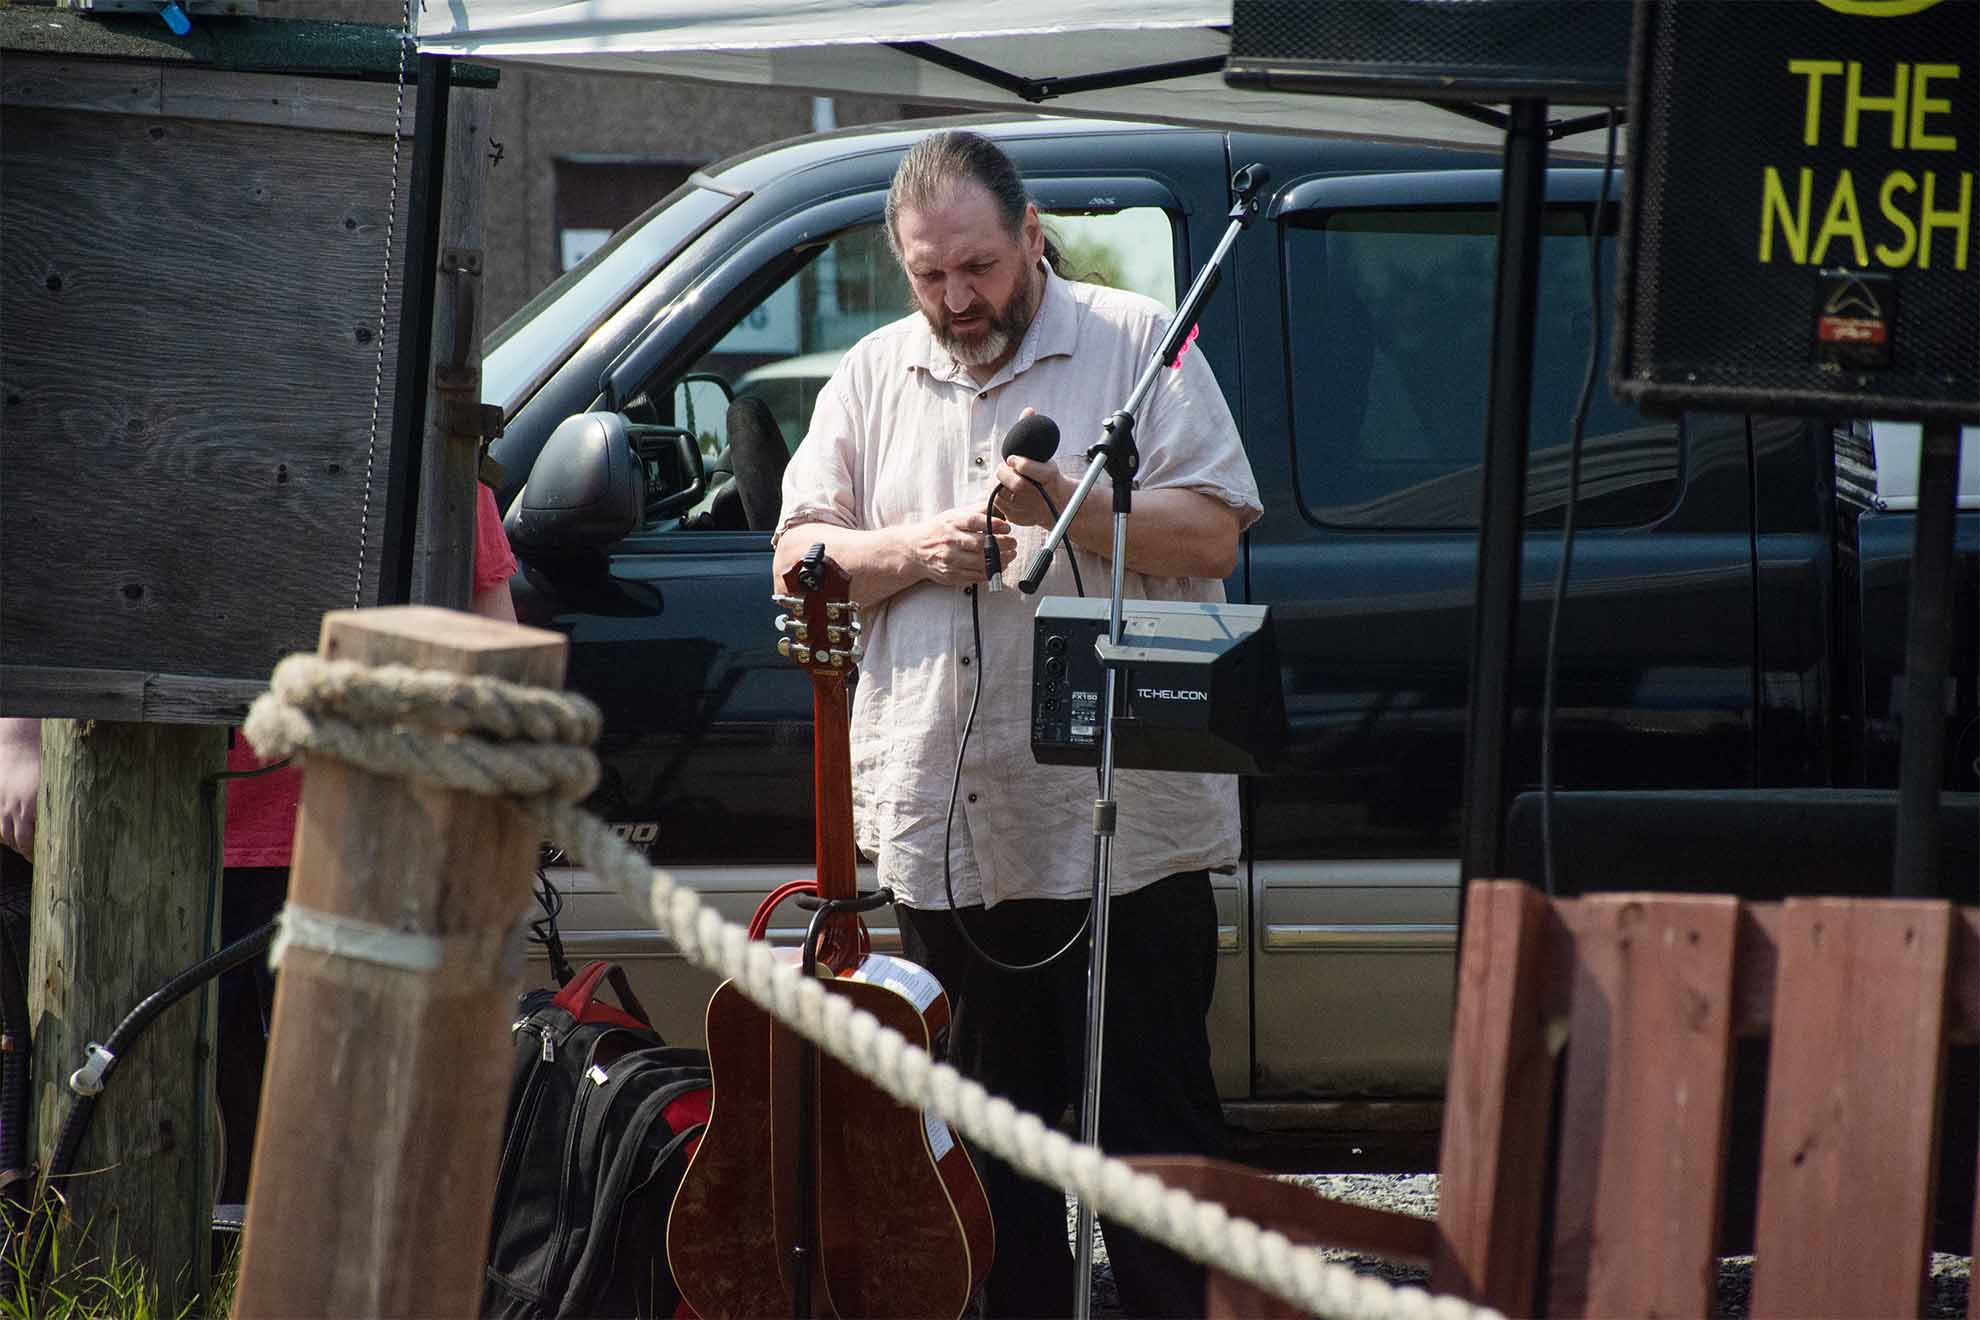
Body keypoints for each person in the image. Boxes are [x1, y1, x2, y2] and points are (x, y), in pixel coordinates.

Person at [772, 129, 1261, 1320]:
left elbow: (1216, 534)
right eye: (930, 275)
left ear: (1031, 234)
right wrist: (915, 550)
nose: (958, 298)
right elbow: (798, 560)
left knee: (1152, 1131)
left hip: (1124, 824)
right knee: (989, 1146)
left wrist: (1073, 512)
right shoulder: (872, 374)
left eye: (978, 267)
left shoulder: (1137, 341)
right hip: (955, 831)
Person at [0, 483, 519, 1203]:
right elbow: (43, 564)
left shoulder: (416, 432)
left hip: (358, 837)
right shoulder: (156, 405)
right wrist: (17, 738)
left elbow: (490, 633)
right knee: (153, 1109)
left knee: (352, 1107)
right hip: (153, 831)